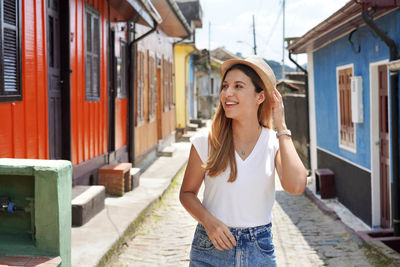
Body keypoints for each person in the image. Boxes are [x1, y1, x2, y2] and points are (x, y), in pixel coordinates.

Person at [179, 55, 307, 266]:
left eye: (238, 86)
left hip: (259, 251)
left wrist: (281, 126)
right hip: (211, 249)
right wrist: (208, 222)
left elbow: (296, 186)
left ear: (260, 97)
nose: (227, 93)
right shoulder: (205, 141)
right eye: (225, 86)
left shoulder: (274, 143)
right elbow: (186, 194)